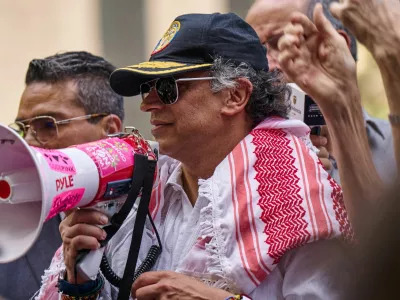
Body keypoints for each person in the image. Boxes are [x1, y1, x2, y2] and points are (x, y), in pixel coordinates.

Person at [38, 13, 353, 299]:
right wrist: (79, 279)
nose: (147, 104)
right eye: (146, 87)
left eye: (167, 87)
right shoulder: (139, 188)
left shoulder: (301, 196)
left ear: (235, 95)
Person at [0, 51, 124, 300]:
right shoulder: (10, 221)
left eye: (48, 125)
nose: (30, 143)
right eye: (22, 128)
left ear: (109, 130)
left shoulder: (154, 214)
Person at [245, 0, 396, 186]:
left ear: (336, 47)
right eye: (255, 51)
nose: (265, 65)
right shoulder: (244, 162)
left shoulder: (392, 147)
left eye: (281, 43)